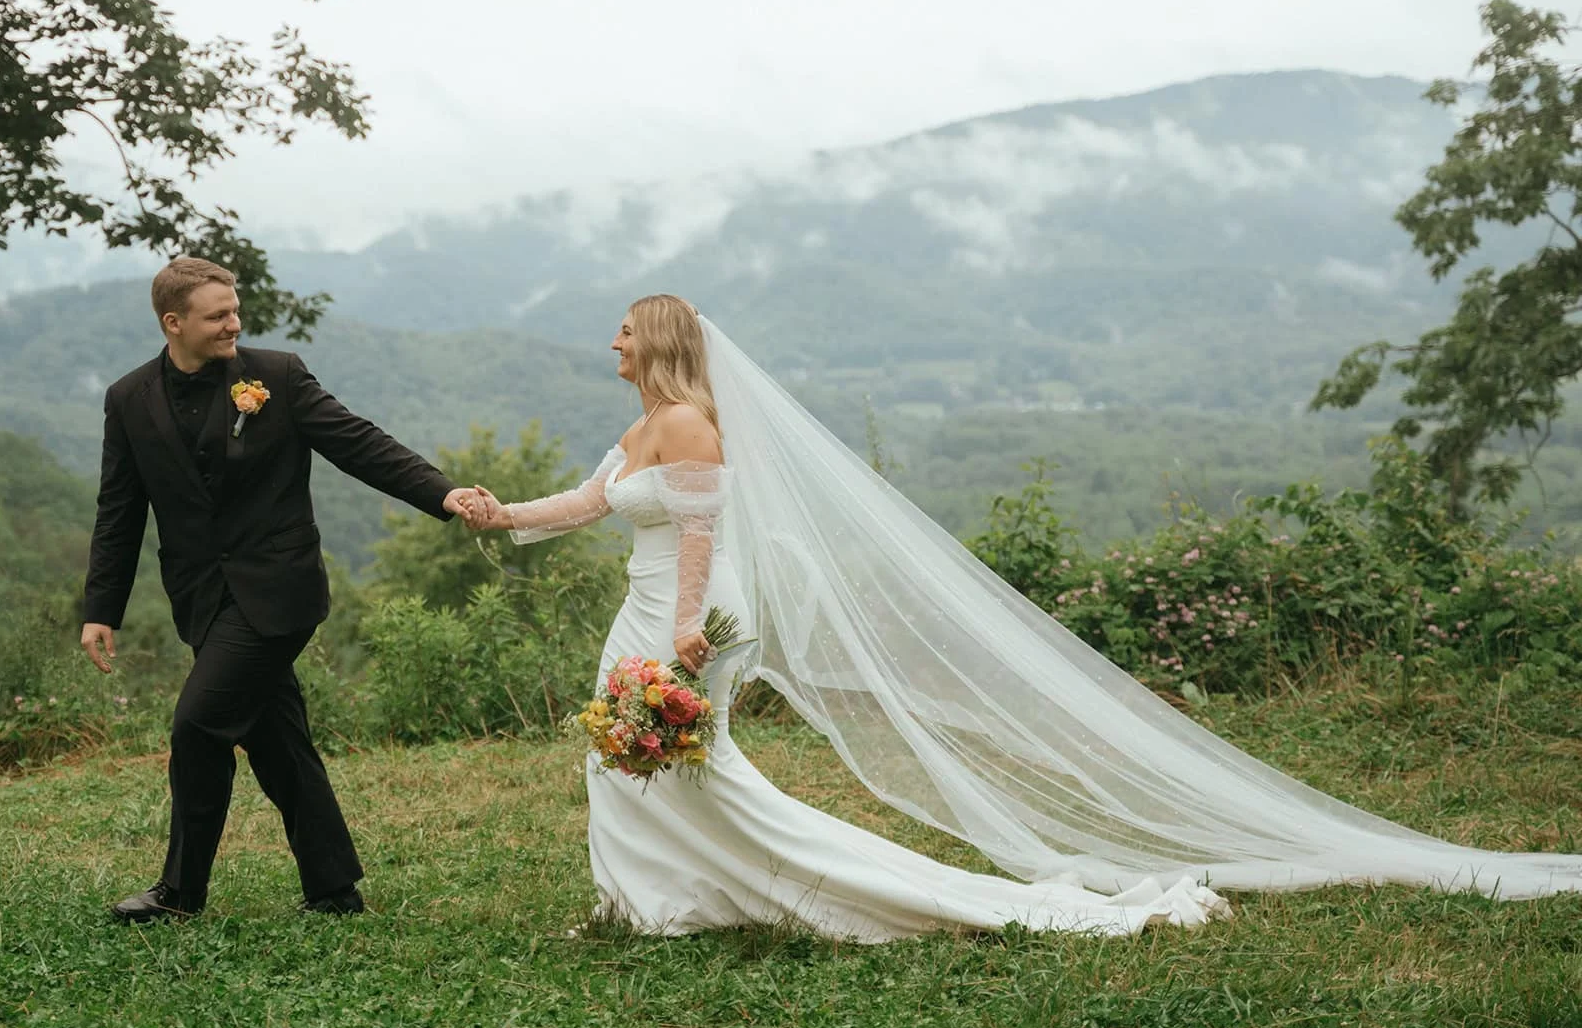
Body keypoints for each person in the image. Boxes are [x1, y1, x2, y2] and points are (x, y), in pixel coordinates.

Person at [463, 295, 1582, 939]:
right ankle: (655, 897)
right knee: (635, 770)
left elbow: (700, 545)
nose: (608, 345)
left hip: (681, 623)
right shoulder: (645, 427)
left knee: (669, 766)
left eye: (620, 333)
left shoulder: (694, 429)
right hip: (643, 613)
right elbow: (586, 501)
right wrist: (496, 512)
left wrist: (688, 642)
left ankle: (681, 899)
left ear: (655, 344)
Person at [81, 258, 487, 923]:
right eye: (217, 315)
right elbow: (118, 510)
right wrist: (101, 607)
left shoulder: (277, 377)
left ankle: (180, 892)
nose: (233, 322)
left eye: (235, 309)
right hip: (201, 595)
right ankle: (334, 889)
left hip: (279, 588)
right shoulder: (128, 399)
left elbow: (361, 444)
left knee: (198, 724)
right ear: (173, 322)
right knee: (276, 736)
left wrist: (443, 492)